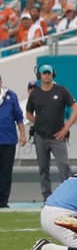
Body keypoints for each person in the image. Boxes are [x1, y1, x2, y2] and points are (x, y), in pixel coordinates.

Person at [26, 63, 77, 202]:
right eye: (44, 73)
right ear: (40, 75)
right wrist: (38, 123)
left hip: (57, 136)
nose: (47, 75)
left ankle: (68, 198)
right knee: (43, 169)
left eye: (49, 73)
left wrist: (66, 128)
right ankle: (47, 199)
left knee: (64, 167)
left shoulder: (61, 91)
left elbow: (76, 109)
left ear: (53, 74)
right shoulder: (35, 94)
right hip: (40, 136)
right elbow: (28, 113)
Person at [0, 75, 24, 208]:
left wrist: (23, 134)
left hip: (8, 140)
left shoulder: (10, 96)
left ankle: (3, 201)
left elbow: (18, 117)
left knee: (6, 172)